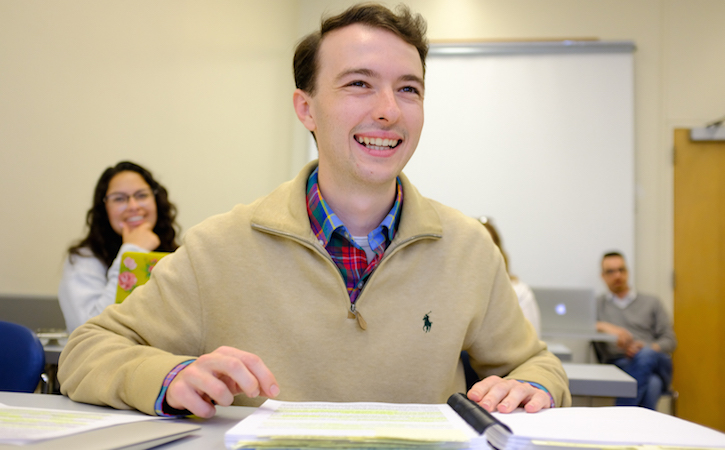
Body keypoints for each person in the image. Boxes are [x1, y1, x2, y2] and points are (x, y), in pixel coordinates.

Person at [58, 3, 570, 418]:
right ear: (306, 108)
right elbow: (86, 351)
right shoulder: (221, 246)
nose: (389, 109)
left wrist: (533, 386)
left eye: (408, 88)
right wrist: (169, 378)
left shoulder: (468, 248)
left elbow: (535, 363)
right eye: (359, 83)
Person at [58, 161, 180, 333]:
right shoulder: (83, 260)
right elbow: (88, 330)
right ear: (104, 208)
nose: (133, 206)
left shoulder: (176, 255)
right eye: (119, 198)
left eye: (141, 195)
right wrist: (133, 251)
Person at [595, 251, 676, 409]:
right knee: (653, 383)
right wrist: (605, 326)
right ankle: (639, 431)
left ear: (628, 272)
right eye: (611, 272)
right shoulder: (598, 305)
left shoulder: (652, 302)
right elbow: (581, 324)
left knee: (645, 355)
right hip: (620, 364)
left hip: (656, 360)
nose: (617, 275)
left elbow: (670, 340)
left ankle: (619, 419)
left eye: (621, 270)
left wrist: (647, 348)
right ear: (603, 276)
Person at [479, 217, 541, 337]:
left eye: (487, 247)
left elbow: (533, 340)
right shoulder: (457, 292)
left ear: (499, 253)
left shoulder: (519, 292)